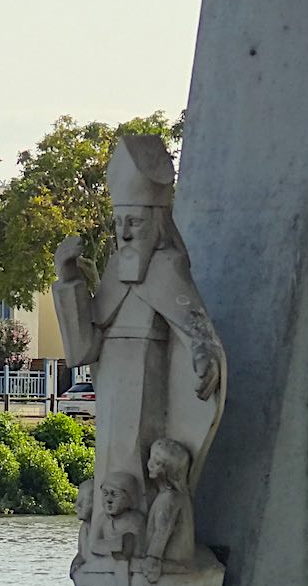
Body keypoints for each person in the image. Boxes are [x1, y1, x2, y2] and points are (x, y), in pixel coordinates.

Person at [53, 135, 225, 503]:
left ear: (157, 223)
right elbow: (84, 347)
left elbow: (195, 327)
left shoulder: (168, 266)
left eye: (134, 222)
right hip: (112, 379)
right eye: (119, 222)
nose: (124, 232)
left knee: (139, 463)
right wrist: (69, 280)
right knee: (111, 462)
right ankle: (107, 537)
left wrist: (203, 352)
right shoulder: (115, 270)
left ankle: (140, 534)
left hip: (150, 377)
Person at [143, 438, 195, 583]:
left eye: (158, 463)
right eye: (151, 459)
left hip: (170, 564)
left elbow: (162, 531)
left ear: (171, 471)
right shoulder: (176, 496)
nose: (151, 465)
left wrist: (152, 558)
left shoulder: (169, 498)